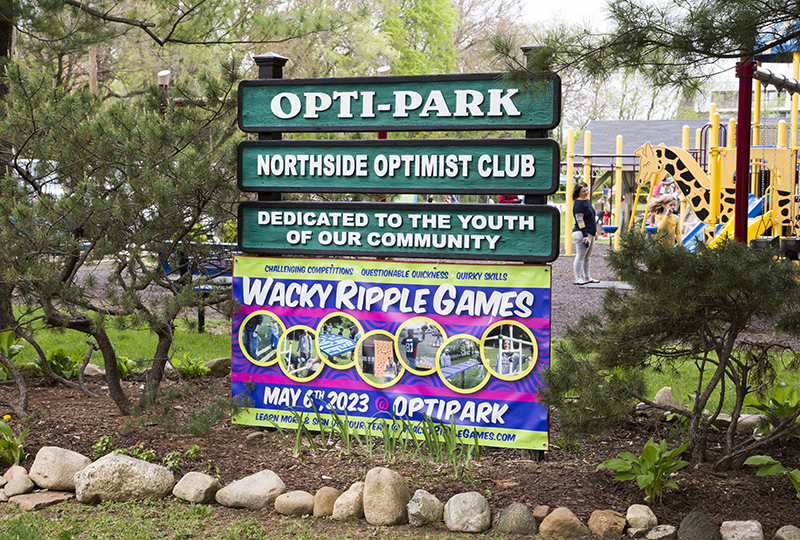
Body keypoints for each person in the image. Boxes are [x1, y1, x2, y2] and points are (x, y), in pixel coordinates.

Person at [571, 181, 598, 285]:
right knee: (580, 256)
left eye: (587, 190)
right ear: (578, 192)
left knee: (587, 257)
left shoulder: (587, 201)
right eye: (583, 191)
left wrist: (594, 232)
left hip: (590, 233)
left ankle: (587, 277)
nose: (586, 192)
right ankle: (577, 278)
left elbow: (590, 219)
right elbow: (580, 220)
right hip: (581, 233)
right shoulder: (578, 204)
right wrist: (585, 235)